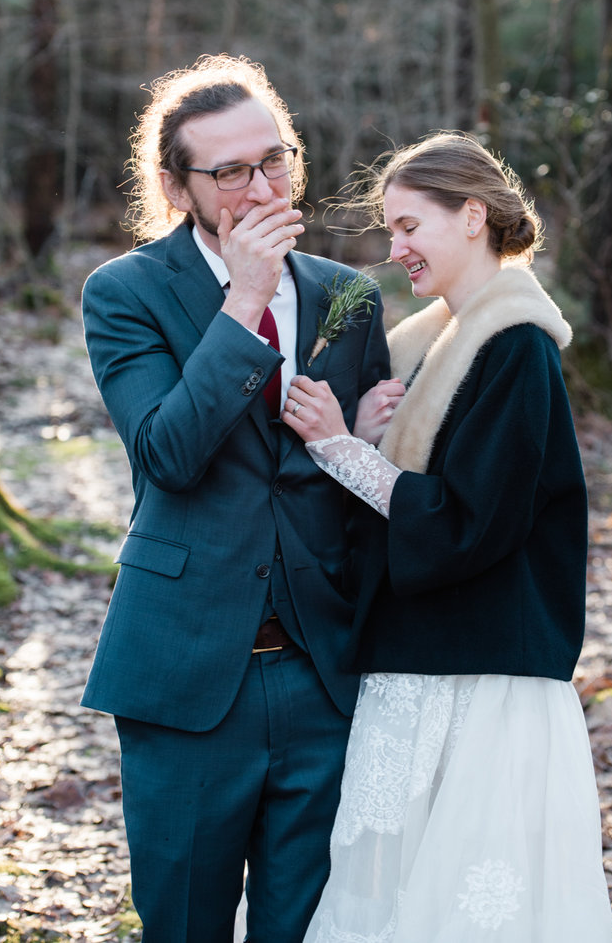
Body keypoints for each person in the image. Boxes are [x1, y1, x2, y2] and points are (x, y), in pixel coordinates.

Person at [82, 54, 394, 942]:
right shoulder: (126, 293)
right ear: (178, 188)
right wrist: (246, 300)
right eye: (230, 172)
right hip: (184, 674)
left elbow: (348, 489)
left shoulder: (347, 297)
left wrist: (358, 443)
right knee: (183, 924)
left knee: (307, 927)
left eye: (276, 159)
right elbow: (167, 455)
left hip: (322, 673)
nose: (262, 187)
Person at [281, 132, 612, 940]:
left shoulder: (516, 347)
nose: (394, 251)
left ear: (472, 216)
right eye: (389, 230)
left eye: (408, 227)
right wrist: (362, 433)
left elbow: (477, 520)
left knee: (466, 902)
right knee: (395, 893)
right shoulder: (431, 347)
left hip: (482, 677)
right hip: (417, 663)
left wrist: (338, 449)